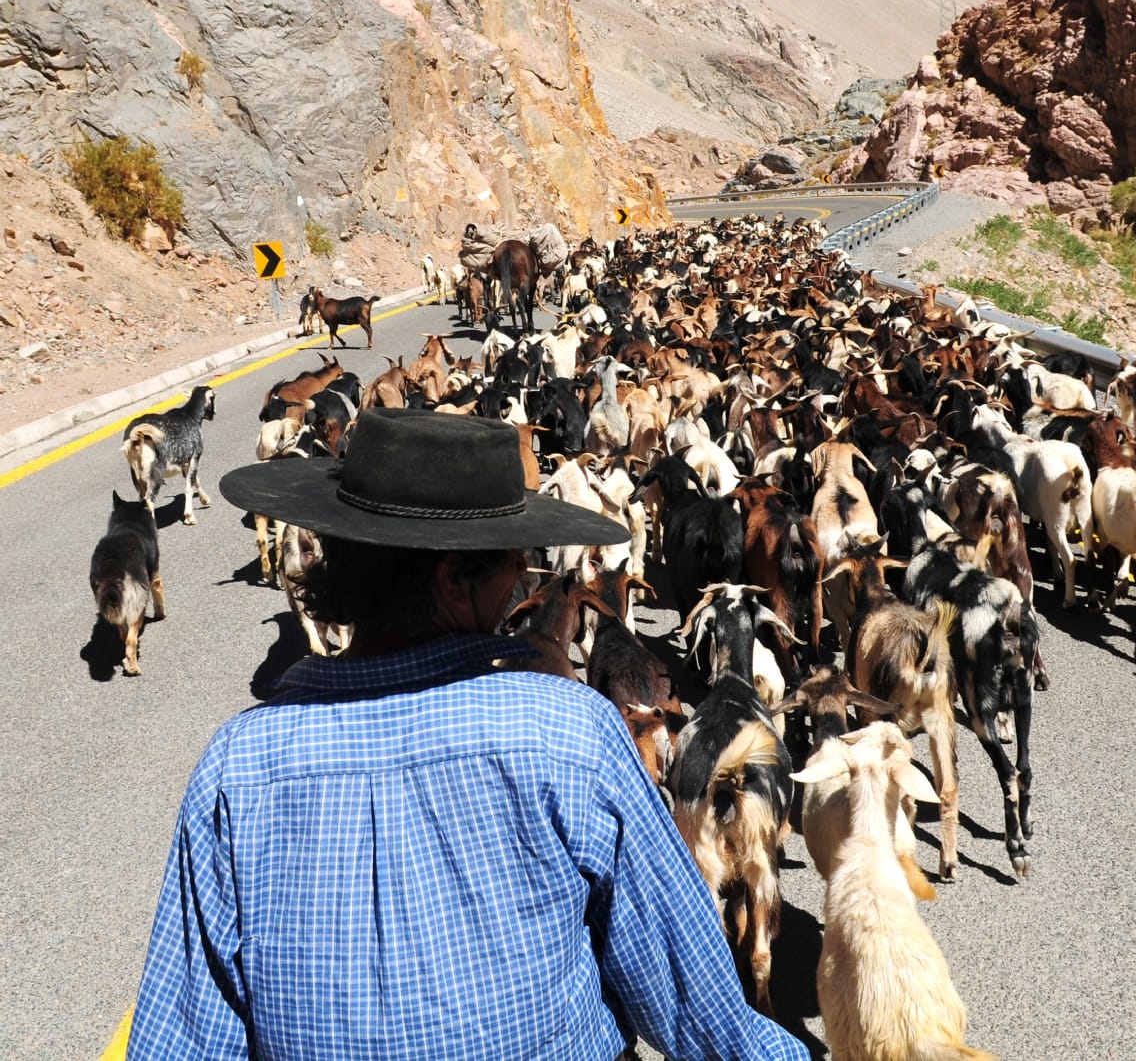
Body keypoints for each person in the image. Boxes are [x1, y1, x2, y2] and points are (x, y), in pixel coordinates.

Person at [127, 408, 808, 1060]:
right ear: (456, 579)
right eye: (518, 564)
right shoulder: (568, 734)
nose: (523, 579)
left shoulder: (237, 766)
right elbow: (696, 1006)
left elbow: (185, 1035)